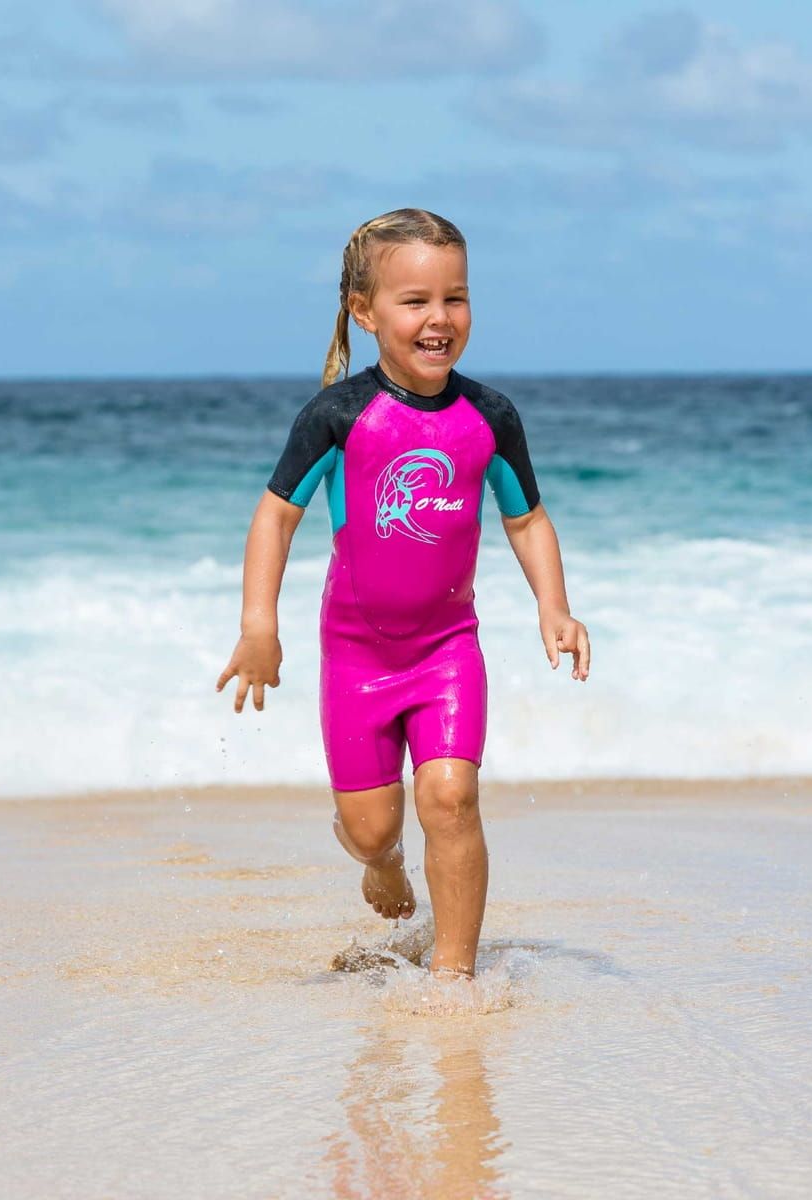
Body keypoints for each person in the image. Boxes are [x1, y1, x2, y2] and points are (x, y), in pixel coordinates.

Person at [216, 208, 590, 979]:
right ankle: (380, 861)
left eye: (456, 298)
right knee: (371, 826)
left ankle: (454, 976)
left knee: (450, 797)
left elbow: (526, 519)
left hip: (448, 648)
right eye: (416, 301)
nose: (439, 318)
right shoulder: (338, 416)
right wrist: (259, 626)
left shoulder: (489, 418)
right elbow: (275, 516)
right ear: (365, 311)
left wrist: (554, 606)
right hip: (357, 654)